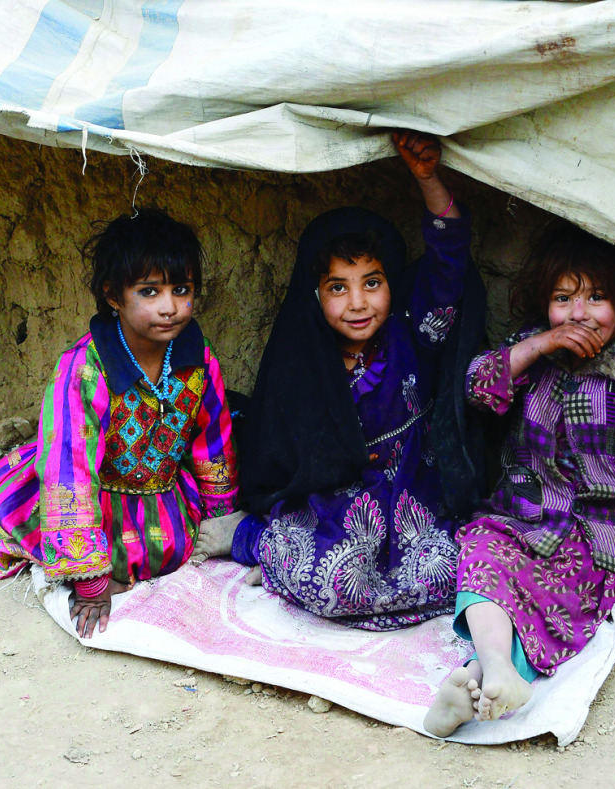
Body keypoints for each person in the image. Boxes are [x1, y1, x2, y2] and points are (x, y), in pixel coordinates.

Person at [190, 131, 486, 631]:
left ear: (393, 283)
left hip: (414, 490)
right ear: (315, 294)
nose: (357, 303)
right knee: (335, 579)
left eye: (372, 283)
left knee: (455, 567)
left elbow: (449, 256)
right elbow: (281, 458)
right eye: (337, 287)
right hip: (335, 501)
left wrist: (427, 178)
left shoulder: (413, 335)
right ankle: (249, 538)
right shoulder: (304, 358)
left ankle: (271, 555)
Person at [423, 222, 615, 737]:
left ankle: (475, 677)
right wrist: (538, 344)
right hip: (523, 513)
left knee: (559, 598)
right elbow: (478, 387)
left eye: (597, 297)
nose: (579, 313)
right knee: (482, 554)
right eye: (563, 298)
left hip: (599, 531)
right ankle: (496, 668)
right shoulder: (535, 352)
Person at [0, 208, 237, 638]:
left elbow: (212, 443)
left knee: (182, 547)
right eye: (149, 291)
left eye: (182, 289)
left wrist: (220, 522)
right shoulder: (83, 369)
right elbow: (69, 468)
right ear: (113, 296)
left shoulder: (199, 358)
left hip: (163, 494)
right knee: (84, 548)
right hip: (92, 497)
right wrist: (91, 583)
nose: (171, 308)